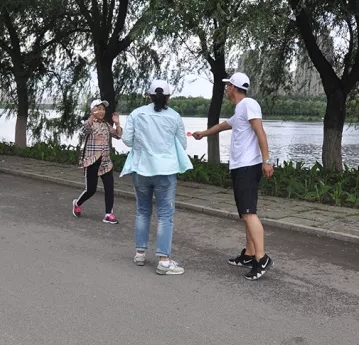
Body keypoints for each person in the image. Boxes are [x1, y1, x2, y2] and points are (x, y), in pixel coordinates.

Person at [192, 72, 274, 280]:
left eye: (228, 85)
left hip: (248, 166)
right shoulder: (240, 109)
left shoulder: (249, 104)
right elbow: (223, 126)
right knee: (246, 213)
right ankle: (249, 254)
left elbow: (260, 132)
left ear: (233, 87)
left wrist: (266, 160)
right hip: (240, 167)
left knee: (249, 213)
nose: (226, 89)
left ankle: (262, 258)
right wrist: (203, 133)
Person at [120, 79, 193, 275]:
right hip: (166, 171)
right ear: (168, 97)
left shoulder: (137, 113)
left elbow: (127, 140)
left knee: (142, 211)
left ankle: (140, 254)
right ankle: (164, 261)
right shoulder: (174, 116)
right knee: (165, 216)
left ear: (149, 96)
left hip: (141, 169)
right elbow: (183, 144)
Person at [73, 99, 122, 224]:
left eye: (103, 109)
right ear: (93, 110)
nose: (102, 111)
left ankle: (108, 214)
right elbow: (83, 131)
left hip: (106, 162)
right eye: (98, 109)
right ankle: (77, 203)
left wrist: (117, 123)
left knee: (109, 188)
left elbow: (118, 135)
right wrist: (91, 117)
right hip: (92, 161)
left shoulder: (106, 125)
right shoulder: (90, 123)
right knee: (91, 190)